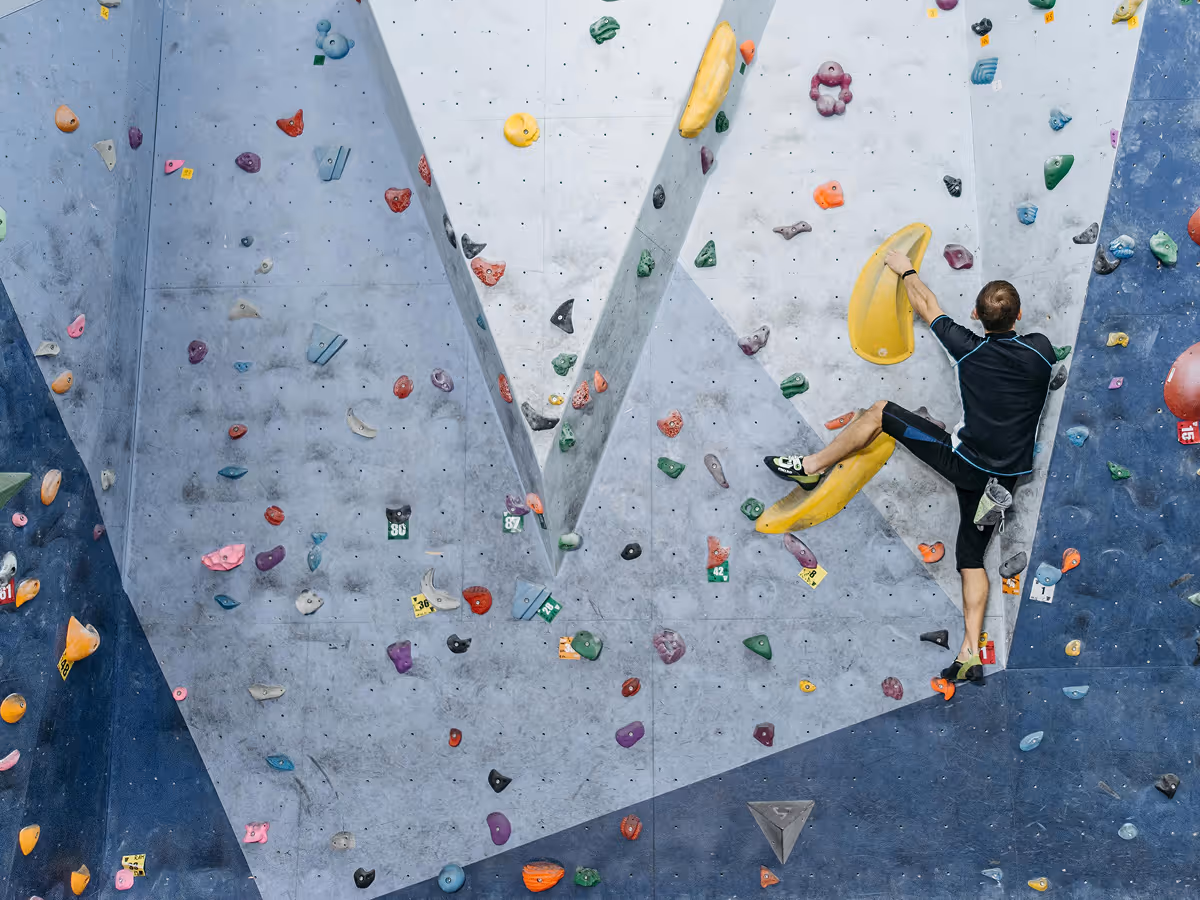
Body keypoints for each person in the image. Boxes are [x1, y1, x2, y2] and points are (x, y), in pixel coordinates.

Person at [765, 250, 1054, 684]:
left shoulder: (967, 350)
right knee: (971, 559)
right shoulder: (1041, 351)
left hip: (964, 465)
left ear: (976, 315)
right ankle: (970, 653)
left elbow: (927, 305)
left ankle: (811, 466)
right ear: (1020, 315)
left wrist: (907, 270)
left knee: (881, 410)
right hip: (1004, 483)